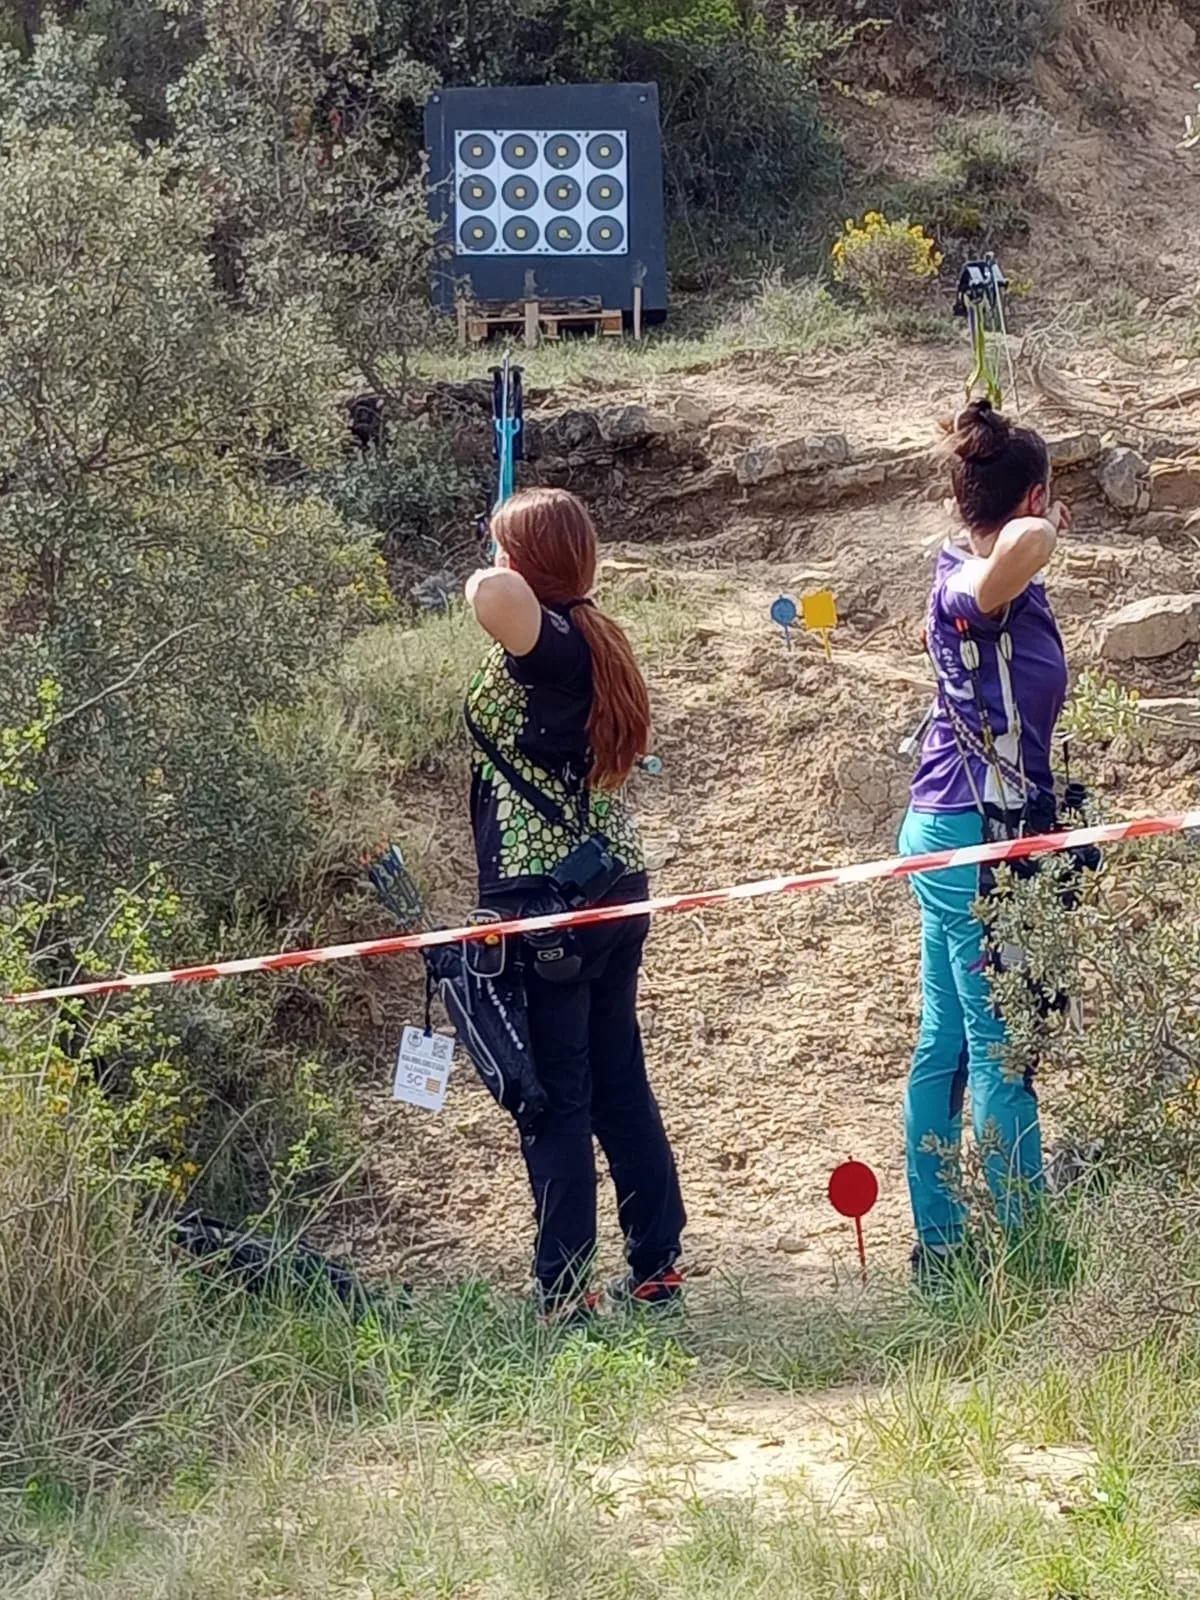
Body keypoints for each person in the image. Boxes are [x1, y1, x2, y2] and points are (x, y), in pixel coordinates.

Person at [464, 486, 686, 1318]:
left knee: (555, 1093)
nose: (492, 566)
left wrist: (499, 562)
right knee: (617, 1078)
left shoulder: (554, 643)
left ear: (529, 566)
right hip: (603, 884)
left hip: (549, 898)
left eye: (502, 549)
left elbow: (493, 596)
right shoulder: (580, 638)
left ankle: (566, 1288)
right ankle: (656, 1262)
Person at [900, 399, 1070, 1277]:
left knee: (949, 1042)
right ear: (1032, 497)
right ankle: (1030, 1260)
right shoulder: (968, 583)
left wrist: (1031, 524)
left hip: (962, 826)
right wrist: (1034, 526)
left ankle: (943, 1247)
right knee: (1000, 1047)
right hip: (972, 833)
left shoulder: (994, 577)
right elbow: (1007, 563)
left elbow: (1019, 555)